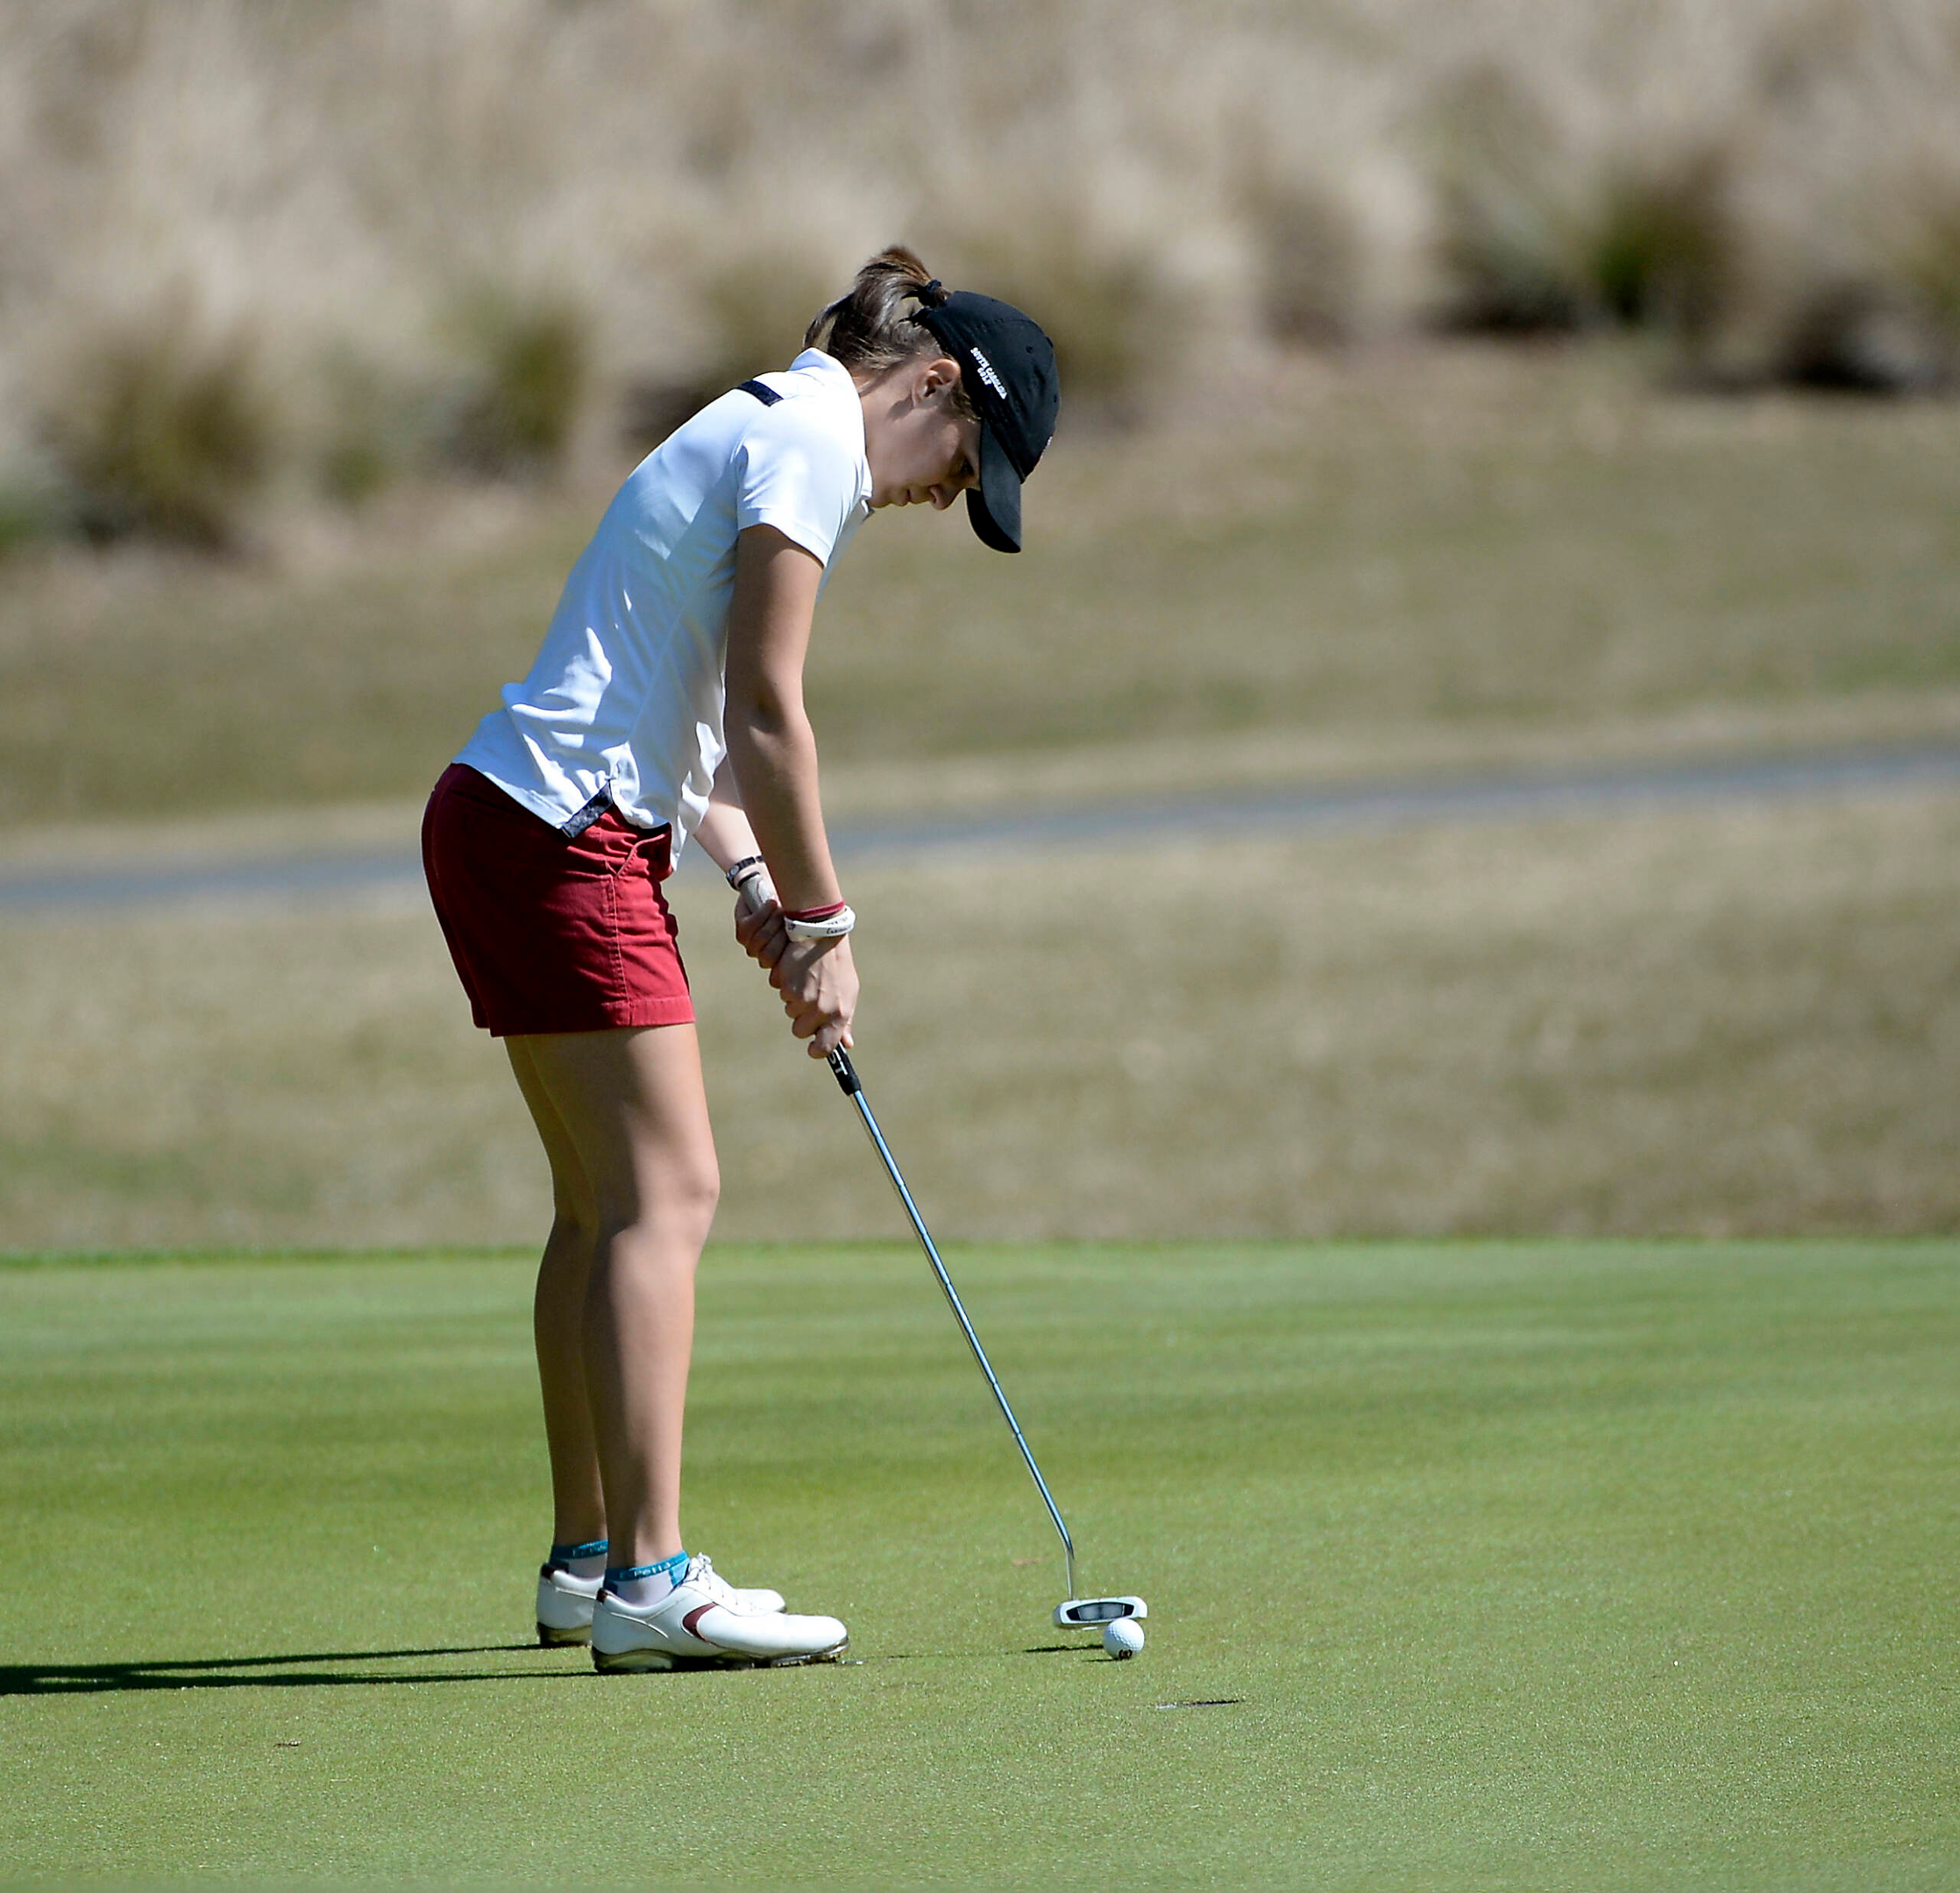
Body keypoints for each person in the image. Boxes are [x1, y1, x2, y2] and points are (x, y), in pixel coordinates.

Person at [420, 247, 1060, 1671]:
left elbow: (694, 740)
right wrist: (830, 931)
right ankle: (653, 1581)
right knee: (670, 1191)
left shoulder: (762, 421)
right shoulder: (817, 439)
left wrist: (764, 891)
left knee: (601, 1206)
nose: (951, 491)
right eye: (970, 459)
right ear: (939, 383)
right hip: (563, 834)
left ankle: (589, 1563)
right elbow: (773, 715)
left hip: (505, 813)